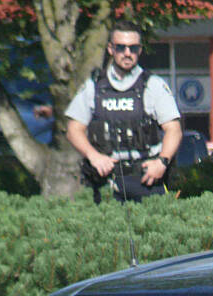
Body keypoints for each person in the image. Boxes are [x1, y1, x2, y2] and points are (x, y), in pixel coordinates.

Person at [66, 21, 182, 203]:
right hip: (104, 180)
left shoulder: (153, 85)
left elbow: (173, 129)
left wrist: (162, 161)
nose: (127, 53)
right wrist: (93, 156)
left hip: (146, 179)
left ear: (140, 50)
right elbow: (73, 128)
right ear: (111, 49)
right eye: (121, 47)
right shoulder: (94, 85)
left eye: (133, 48)